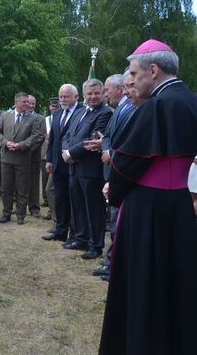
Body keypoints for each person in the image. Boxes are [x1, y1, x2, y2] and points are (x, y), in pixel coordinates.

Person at [100, 39, 197, 354]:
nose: (131, 79)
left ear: (152, 71)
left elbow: (126, 164)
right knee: (176, 283)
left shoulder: (156, 106)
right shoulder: (191, 100)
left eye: (133, 72)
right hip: (180, 205)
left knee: (143, 286)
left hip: (147, 209)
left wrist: (113, 191)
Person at [84, 72, 135, 279]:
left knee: (116, 220)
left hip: (119, 169)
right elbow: (109, 137)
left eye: (105, 89)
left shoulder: (132, 109)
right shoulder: (121, 109)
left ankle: (114, 263)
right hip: (111, 168)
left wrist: (109, 152)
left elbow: (126, 142)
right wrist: (106, 148)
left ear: (119, 88)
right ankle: (111, 260)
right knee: (114, 220)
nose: (104, 94)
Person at [61, 78, 112, 260]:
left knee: (94, 209)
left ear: (103, 93)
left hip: (91, 171)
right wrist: (65, 150)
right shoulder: (80, 112)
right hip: (74, 169)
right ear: (83, 95)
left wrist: (70, 154)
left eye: (96, 93)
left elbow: (92, 140)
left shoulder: (105, 113)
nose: (93, 97)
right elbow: (67, 134)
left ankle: (95, 245)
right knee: (78, 206)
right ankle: (81, 238)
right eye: (89, 94)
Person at [0, 92, 44, 225]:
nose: (28, 104)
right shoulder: (5, 116)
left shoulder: (33, 119)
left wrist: (20, 146)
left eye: (28, 102)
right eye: (24, 102)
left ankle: (21, 215)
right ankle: (6, 213)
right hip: (6, 158)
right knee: (6, 188)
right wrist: (5, 143)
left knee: (22, 189)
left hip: (22, 158)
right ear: (16, 102)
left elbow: (35, 136)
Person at [42, 84, 83, 242]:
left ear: (76, 97)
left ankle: (75, 233)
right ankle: (60, 230)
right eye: (61, 97)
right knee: (60, 198)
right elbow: (53, 140)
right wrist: (49, 160)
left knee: (74, 200)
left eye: (66, 96)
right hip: (58, 164)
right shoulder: (58, 113)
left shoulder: (81, 113)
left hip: (74, 163)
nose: (63, 100)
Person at [26, 95, 46, 217]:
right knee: (20, 182)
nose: (31, 105)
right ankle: (20, 207)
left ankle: (34, 208)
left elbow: (41, 137)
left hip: (33, 155)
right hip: (19, 155)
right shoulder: (19, 117)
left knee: (34, 182)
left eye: (33, 103)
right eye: (29, 103)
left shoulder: (40, 118)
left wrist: (27, 148)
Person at [41, 97, 59, 219]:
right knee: (45, 182)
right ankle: (49, 207)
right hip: (44, 154)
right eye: (52, 106)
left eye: (56, 106)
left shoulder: (61, 119)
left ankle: (53, 212)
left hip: (57, 156)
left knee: (52, 185)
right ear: (49, 107)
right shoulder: (45, 120)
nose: (54, 108)